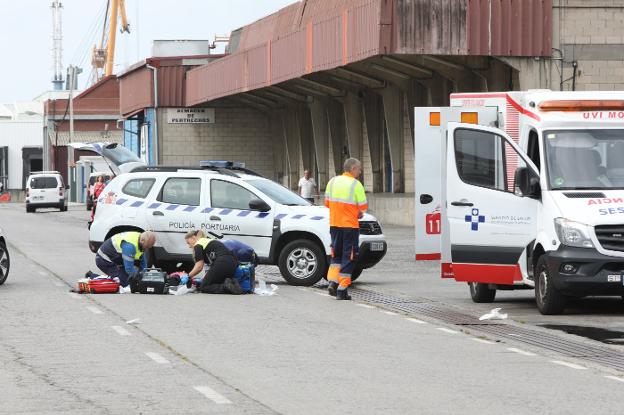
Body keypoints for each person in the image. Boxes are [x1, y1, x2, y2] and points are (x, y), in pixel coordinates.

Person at [324, 158, 368, 300]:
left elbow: (327, 203)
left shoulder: (332, 182)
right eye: (359, 169)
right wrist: (357, 212)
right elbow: (363, 207)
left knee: (336, 255)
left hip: (335, 225)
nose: (360, 172)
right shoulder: (356, 184)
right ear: (353, 168)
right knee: (349, 257)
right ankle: (342, 290)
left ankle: (333, 281)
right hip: (349, 226)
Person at [184, 230, 242, 294]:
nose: (189, 246)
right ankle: (231, 283)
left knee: (204, 286)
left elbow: (199, 267)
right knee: (211, 283)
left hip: (222, 262)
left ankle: (228, 287)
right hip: (233, 263)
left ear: (193, 238)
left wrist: (188, 276)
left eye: (188, 242)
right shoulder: (207, 240)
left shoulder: (198, 245)